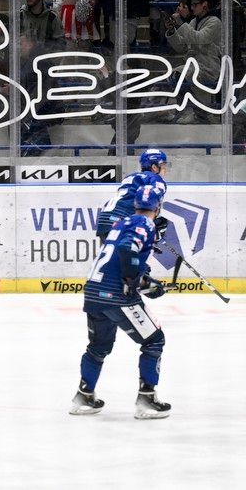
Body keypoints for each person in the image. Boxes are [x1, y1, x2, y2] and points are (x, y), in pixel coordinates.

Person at [72, 182, 171, 419]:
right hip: (116, 295)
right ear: (158, 206)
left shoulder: (121, 222)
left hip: (94, 292)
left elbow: (123, 256)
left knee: (98, 347)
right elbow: (128, 250)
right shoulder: (144, 223)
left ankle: (83, 398)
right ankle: (146, 401)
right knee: (154, 341)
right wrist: (134, 280)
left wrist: (144, 281)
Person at [95, 149, 168, 241]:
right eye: (163, 166)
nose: (166, 169)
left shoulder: (131, 177)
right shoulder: (155, 178)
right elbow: (149, 200)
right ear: (154, 167)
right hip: (121, 219)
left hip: (105, 219)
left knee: (112, 253)